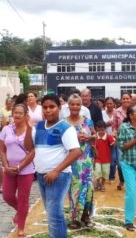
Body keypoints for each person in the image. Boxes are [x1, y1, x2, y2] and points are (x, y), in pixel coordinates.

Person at [24, 94, 81, 238]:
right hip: (43, 176)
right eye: (45, 107)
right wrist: (29, 129)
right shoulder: (39, 126)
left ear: (59, 108)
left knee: (55, 215)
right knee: (51, 213)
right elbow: (29, 147)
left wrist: (56, 171)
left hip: (58, 176)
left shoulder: (65, 128)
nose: (48, 110)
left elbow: (76, 152)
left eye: (52, 107)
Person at [0, 104, 35, 237]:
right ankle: (21, 211)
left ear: (26, 115)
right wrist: (6, 165)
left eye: (21, 113)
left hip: (26, 170)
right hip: (9, 169)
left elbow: (32, 152)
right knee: (7, 196)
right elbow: (2, 150)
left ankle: (21, 227)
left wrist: (20, 166)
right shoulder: (6, 129)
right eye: (15, 112)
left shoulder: (31, 130)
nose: (17, 115)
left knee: (23, 198)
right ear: (12, 114)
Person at [65, 93, 96, 229]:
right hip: (71, 161)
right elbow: (60, 141)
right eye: (72, 104)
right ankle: (74, 218)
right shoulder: (64, 123)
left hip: (87, 161)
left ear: (81, 106)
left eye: (78, 104)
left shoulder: (88, 121)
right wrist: (75, 137)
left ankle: (86, 215)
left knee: (88, 188)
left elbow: (95, 136)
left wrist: (89, 138)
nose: (75, 106)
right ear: (68, 105)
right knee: (74, 188)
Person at [112, 92, 131, 190]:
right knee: (120, 163)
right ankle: (122, 180)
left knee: (130, 161)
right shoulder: (117, 112)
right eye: (124, 98)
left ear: (130, 99)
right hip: (120, 140)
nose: (126, 100)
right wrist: (114, 133)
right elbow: (114, 126)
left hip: (133, 140)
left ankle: (130, 181)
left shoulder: (134, 110)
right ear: (121, 100)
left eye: (127, 98)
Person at [94, 120, 115, 191]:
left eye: (102, 130)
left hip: (106, 159)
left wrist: (116, 138)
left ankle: (102, 184)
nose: (101, 132)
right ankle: (97, 183)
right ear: (96, 129)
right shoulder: (94, 137)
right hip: (97, 158)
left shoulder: (109, 137)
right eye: (99, 130)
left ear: (105, 129)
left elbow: (114, 144)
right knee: (97, 171)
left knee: (105, 173)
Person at [102, 97, 118, 182]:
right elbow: (99, 125)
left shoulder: (117, 112)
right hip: (104, 139)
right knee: (105, 158)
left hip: (115, 139)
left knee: (114, 158)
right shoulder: (102, 113)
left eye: (111, 103)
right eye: (107, 103)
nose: (109, 105)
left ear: (114, 104)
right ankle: (104, 175)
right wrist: (107, 124)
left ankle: (112, 176)